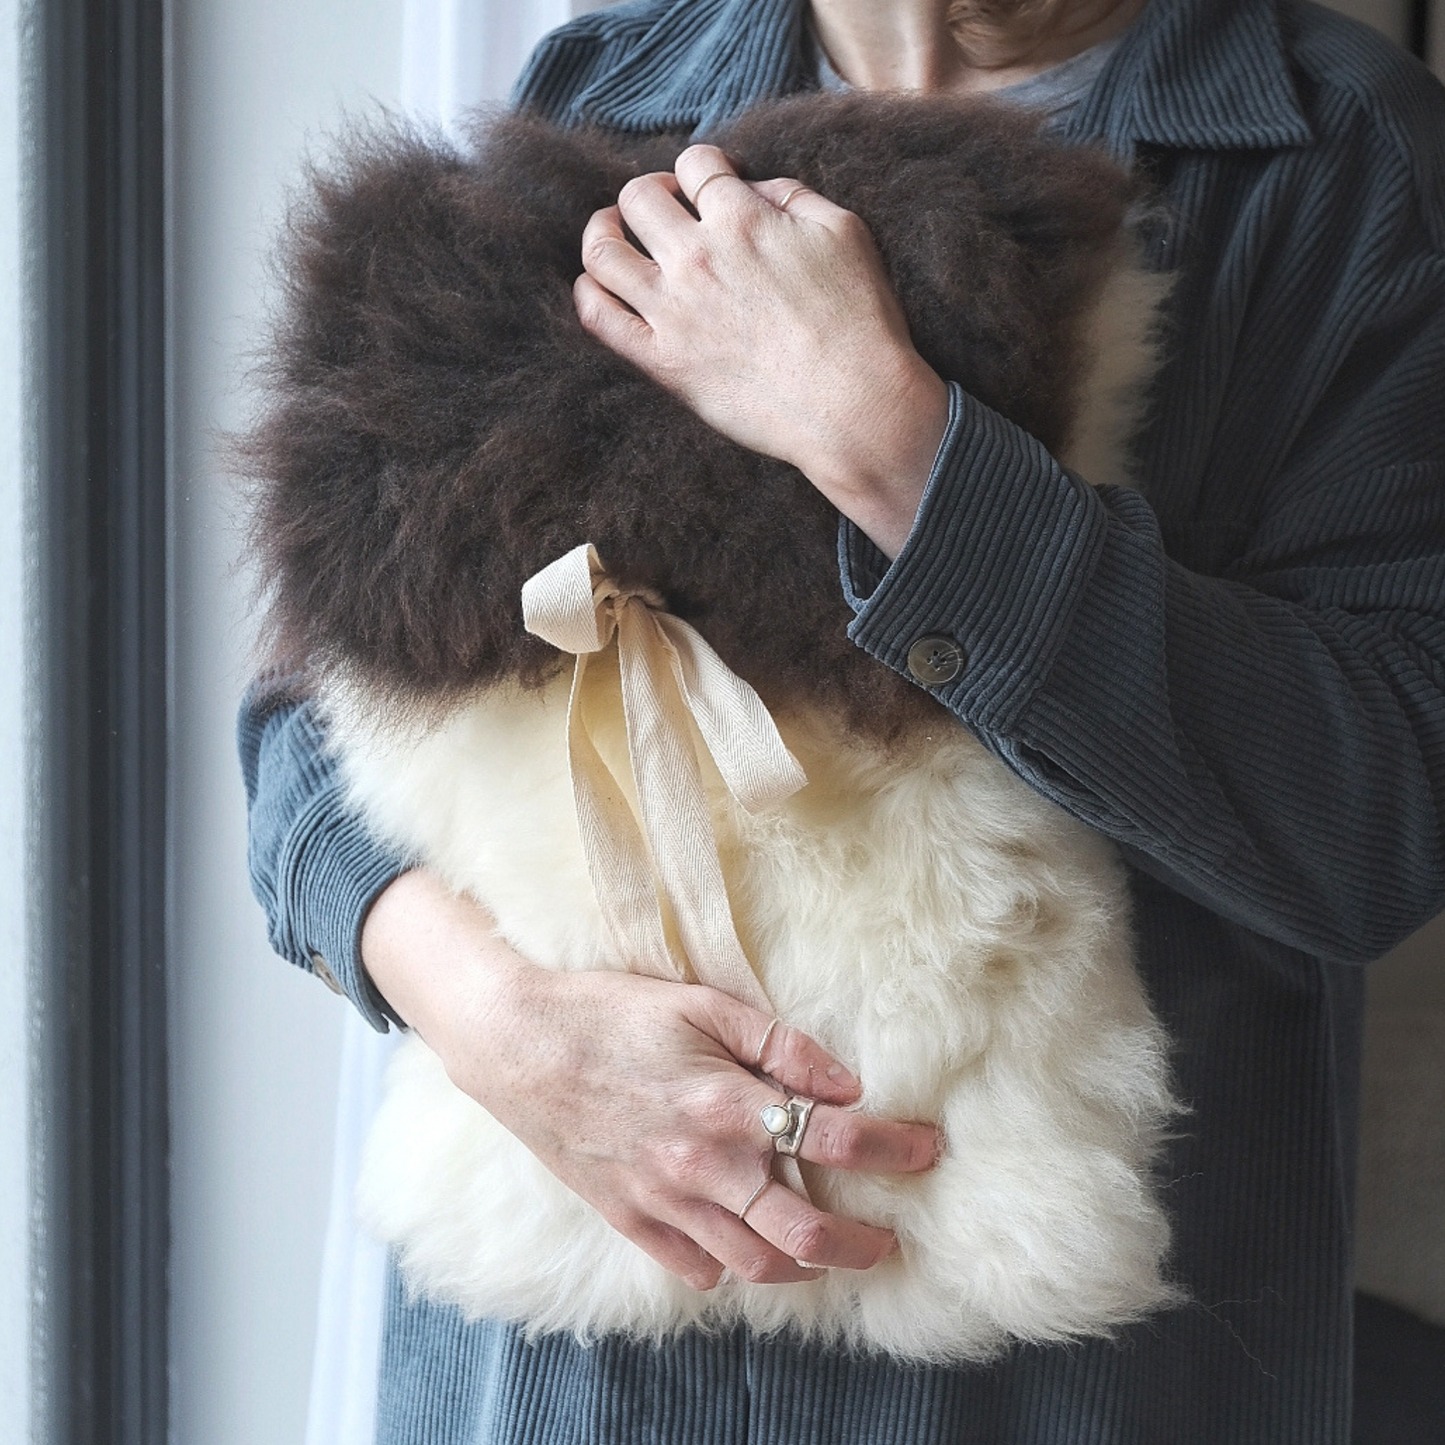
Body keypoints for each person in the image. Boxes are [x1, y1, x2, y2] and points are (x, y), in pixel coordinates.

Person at [238, 0, 1445, 1439]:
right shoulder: (615, 79)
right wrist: (501, 1027)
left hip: (1065, 1387)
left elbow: (1378, 819)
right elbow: (311, 719)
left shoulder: (1341, 157)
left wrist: (900, 453)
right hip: (558, 1366)